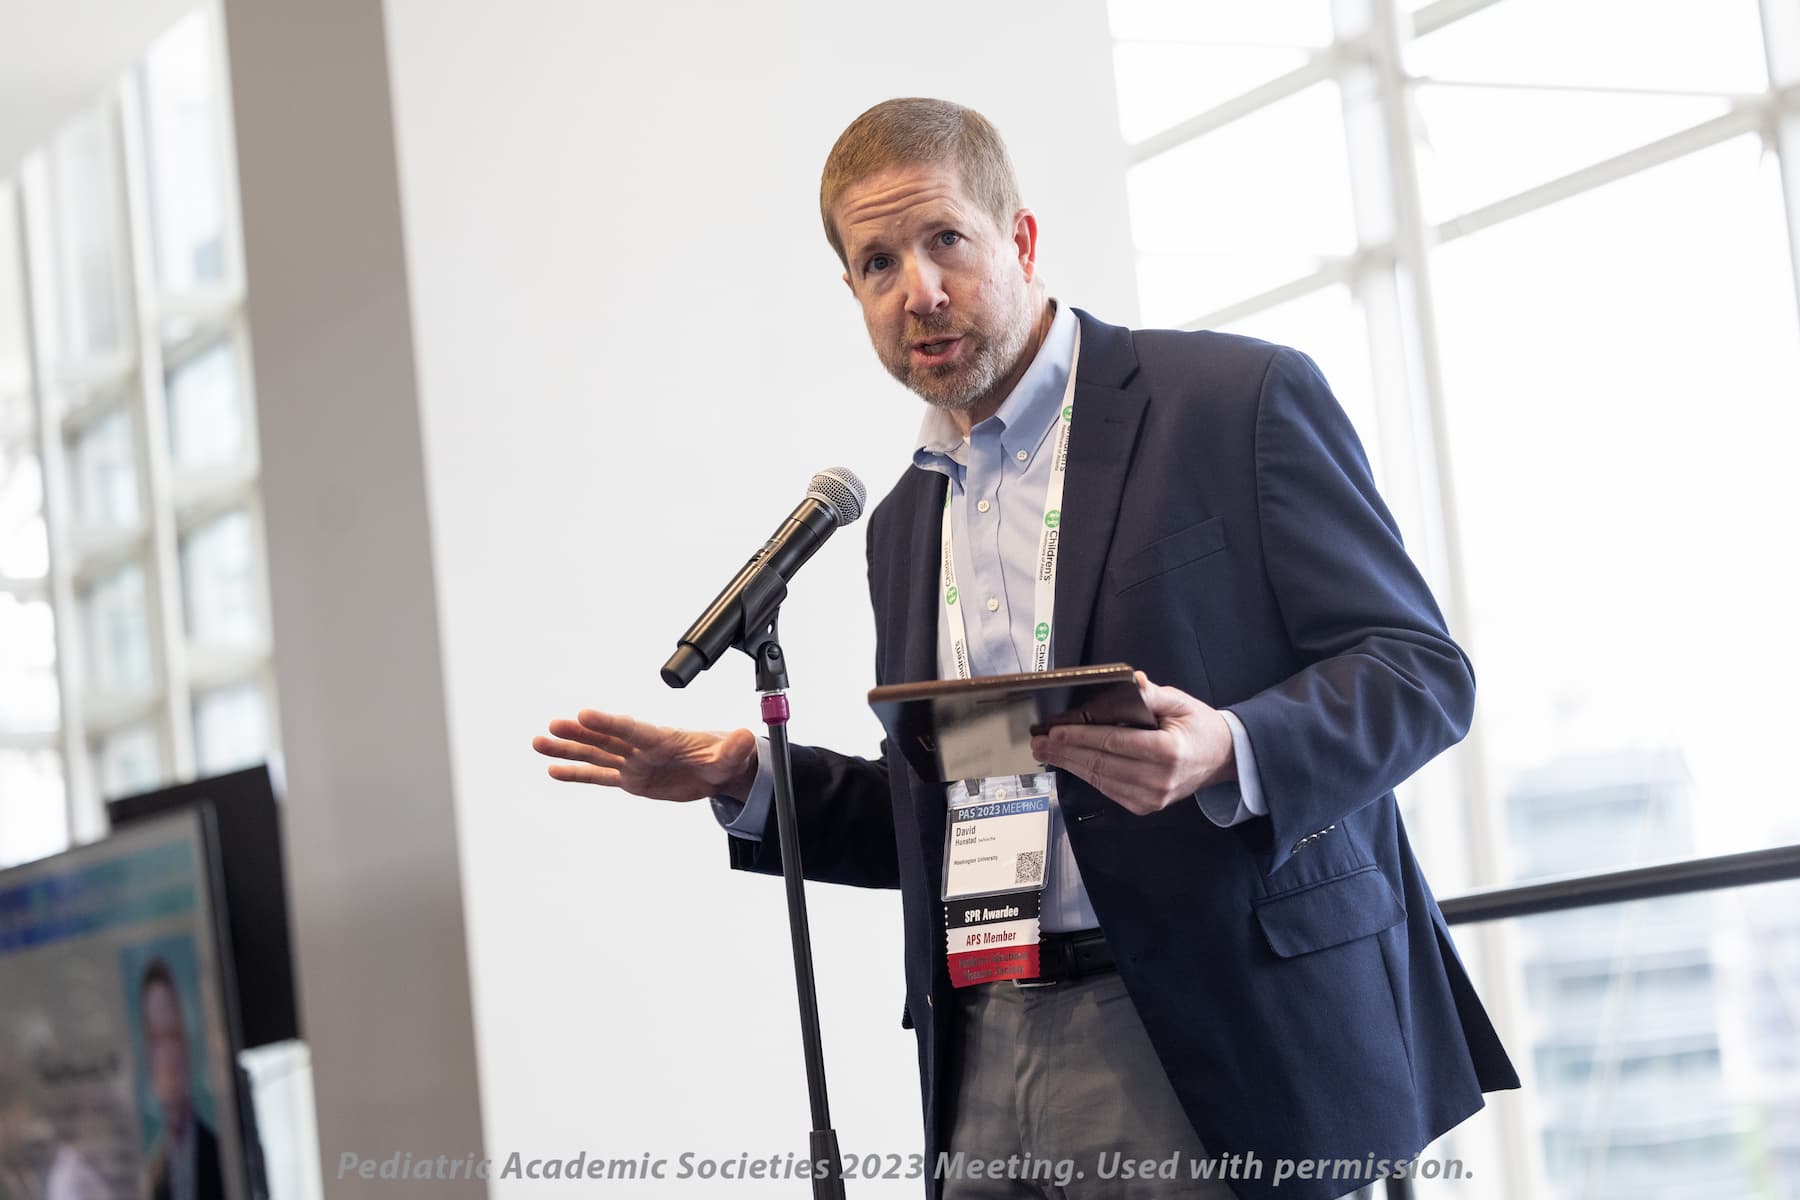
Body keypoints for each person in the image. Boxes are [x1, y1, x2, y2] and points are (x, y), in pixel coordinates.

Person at [535, 98, 1517, 1200]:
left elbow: (1419, 672)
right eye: (877, 263)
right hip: (984, 1037)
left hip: (1212, 1030)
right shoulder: (906, 522)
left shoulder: (1232, 401)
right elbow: (948, 807)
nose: (922, 291)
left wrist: (1229, 747)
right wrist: (754, 782)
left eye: (945, 240)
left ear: (1023, 239)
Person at [138, 960, 225, 1200]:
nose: (167, 1054)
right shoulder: (149, 1172)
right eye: (156, 1039)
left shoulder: (223, 1154)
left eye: (173, 1034)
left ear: (187, 1039)